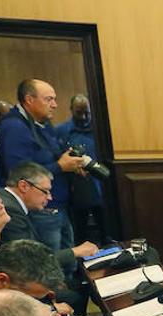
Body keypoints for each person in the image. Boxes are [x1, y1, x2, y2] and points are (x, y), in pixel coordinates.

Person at [0, 79, 87, 252]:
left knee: (70, 263)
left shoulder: (42, 124)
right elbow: (18, 174)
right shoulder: (14, 127)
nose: (54, 104)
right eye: (49, 99)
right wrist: (60, 166)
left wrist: (72, 164)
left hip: (57, 205)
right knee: (51, 264)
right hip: (40, 210)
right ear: (29, 100)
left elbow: (50, 157)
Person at [0, 160, 96, 306]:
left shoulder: (13, 204)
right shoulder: (9, 210)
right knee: (74, 296)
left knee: (77, 285)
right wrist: (76, 252)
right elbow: (28, 259)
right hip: (16, 286)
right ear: (24, 186)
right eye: (45, 191)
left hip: (22, 275)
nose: (49, 197)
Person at [55, 94, 109, 243]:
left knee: (107, 229)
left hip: (101, 184)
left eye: (87, 112)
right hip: (75, 186)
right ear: (71, 110)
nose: (84, 117)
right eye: (79, 113)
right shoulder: (61, 131)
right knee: (79, 230)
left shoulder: (101, 129)